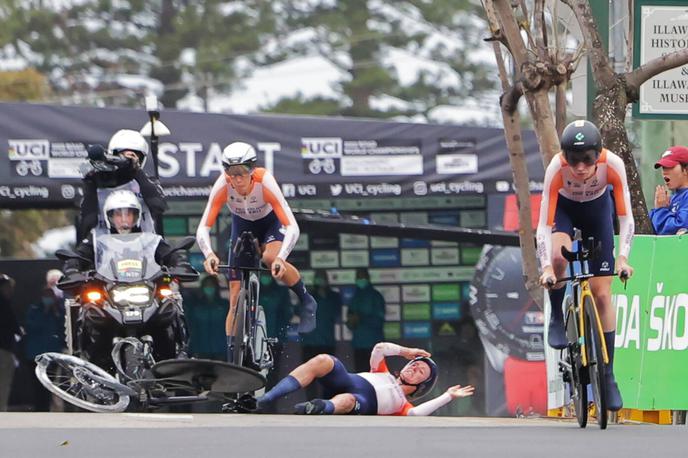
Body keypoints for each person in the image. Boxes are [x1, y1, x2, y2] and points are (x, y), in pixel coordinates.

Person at [536, 120, 634, 412]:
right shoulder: (556, 169)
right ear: (564, 156)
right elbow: (543, 225)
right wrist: (546, 269)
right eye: (573, 160)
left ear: (599, 155)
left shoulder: (613, 164)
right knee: (558, 256)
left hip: (597, 211)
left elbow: (626, 218)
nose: (580, 168)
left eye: (588, 160)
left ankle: (607, 374)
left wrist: (623, 258)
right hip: (565, 211)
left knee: (602, 293)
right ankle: (557, 312)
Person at [195, 142, 317, 362]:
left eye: (241, 172)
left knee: (270, 258)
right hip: (242, 224)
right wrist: (209, 254)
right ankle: (232, 356)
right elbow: (204, 226)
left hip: (270, 223)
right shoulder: (223, 185)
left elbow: (292, 226)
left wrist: (281, 257)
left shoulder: (265, 182)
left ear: (251, 170)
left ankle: (306, 299)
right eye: (231, 173)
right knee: (233, 296)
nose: (237, 179)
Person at [62, 190, 194, 368]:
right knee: (88, 310)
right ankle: (84, 362)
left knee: (171, 303)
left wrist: (180, 263)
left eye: (129, 214)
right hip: (109, 296)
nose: (124, 219)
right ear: (109, 217)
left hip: (146, 293)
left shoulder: (151, 241)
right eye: (118, 214)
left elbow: (171, 254)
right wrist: (72, 270)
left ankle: (180, 354)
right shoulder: (95, 241)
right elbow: (76, 258)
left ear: (137, 216)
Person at [255, 341, 475, 415]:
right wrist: (404, 351)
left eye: (420, 372)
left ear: (421, 385)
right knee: (323, 359)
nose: (415, 367)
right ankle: (267, 398)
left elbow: (417, 414)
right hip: (346, 380)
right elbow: (379, 348)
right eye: (414, 364)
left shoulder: (403, 405)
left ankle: (317, 407)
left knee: (348, 400)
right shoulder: (382, 371)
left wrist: (447, 396)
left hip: (357, 400)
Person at [79, 129, 167, 238]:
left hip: (144, 246)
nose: (128, 160)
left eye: (135, 156)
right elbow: (88, 222)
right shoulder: (98, 182)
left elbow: (158, 206)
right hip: (105, 247)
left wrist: (137, 171)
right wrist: (89, 182)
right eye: (122, 156)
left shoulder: (147, 182)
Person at [300, 270, 342, 399]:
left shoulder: (334, 296)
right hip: (309, 342)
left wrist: (324, 296)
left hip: (327, 342)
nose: (320, 281)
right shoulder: (307, 295)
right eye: (317, 278)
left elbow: (337, 315)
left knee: (328, 377)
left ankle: (327, 403)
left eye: (322, 278)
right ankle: (310, 402)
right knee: (308, 376)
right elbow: (298, 311)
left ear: (327, 280)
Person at [23, 287, 65, 411]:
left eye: (51, 297)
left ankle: (47, 408)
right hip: (35, 354)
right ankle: (39, 407)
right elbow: (32, 328)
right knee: (37, 384)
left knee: (49, 382)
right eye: (46, 296)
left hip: (52, 354)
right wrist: (45, 312)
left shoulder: (58, 311)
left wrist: (56, 313)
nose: (49, 299)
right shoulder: (34, 310)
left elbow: (62, 330)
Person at [346, 268, 385, 372]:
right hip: (358, 344)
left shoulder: (376, 296)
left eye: (362, 277)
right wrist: (351, 322)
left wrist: (361, 318)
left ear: (368, 278)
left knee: (376, 377)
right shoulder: (355, 296)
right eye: (358, 277)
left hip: (374, 345)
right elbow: (349, 320)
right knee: (361, 377)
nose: (360, 279)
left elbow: (379, 321)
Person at [183, 275, 228, 361]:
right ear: (202, 287)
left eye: (211, 285)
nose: (209, 288)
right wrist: (191, 350)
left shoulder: (225, 305)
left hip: (221, 350)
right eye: (207, 286)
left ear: (216, 287)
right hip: (200, 350)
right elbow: (192, 328)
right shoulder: (196, 306)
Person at [650, 145, 688, 235]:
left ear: (686, 170)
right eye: (663, 167)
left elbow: (678, 230)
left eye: (670, 166)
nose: (664, 172)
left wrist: (660, 210)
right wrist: (657, 209)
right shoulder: (670, 199)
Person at [0, 274, 21, 411]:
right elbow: (12, 324)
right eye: (8, 287)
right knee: (3, 382)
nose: (10, 290)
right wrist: (19, 331)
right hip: (3, 349)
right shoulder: (3, 304)